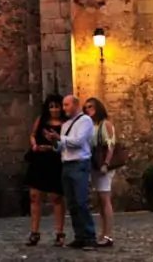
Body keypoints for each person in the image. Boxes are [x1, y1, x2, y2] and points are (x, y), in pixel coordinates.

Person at [43, 94, 97, 250]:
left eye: (66, 105)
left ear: (75, 105)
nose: (64, 108)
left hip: (80, 164)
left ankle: (90, 237)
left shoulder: (85, 121)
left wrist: (60, 138)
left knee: (81, 202)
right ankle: (79, 236)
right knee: (72, 204)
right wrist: (54, 141)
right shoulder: (66, 124)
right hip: (66, 164)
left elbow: (79, 142)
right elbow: (62, 146)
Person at [24, 94, 66, 247]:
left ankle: (59, 233)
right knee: (35, 195)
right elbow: (33, 135)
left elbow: (66, 141)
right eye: (51, 106)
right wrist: (34, 145)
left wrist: (52, 144)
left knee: (56, 197)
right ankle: (34, 232)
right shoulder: (41, 120)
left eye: (57, 106)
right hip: (39, 160)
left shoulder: (65, 123)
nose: (54, 109)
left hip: (55, 161)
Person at [84, 97, 116, 248]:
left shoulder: (105, 124)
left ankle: (108, 234)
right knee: (100, 200)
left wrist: (106, 163)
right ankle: (103, 232)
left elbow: (110, 145)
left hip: (103, 165)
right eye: (86, 107)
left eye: (91, 106)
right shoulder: (91, 125)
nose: (88, 109)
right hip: (95, 165)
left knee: (105, 199)